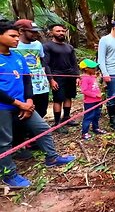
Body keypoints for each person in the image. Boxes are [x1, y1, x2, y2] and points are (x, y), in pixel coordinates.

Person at [0, 20, 75, 187]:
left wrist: (29, 101)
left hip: (25, 104)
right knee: (5, 141)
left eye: (17, 36)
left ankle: (52, 157)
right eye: (12, 36)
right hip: (4, 107)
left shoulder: (17, 56)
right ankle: (9, 174)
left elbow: (27, 81)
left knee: (42, 128)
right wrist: (19, 104)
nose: (16, 39)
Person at [44, 24, 80, 133]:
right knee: (58, 99)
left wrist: (77, 76)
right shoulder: (47, 46)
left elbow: (74, 63)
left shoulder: (69, 47)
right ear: (51, 33)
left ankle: (66, 118)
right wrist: (51, 79)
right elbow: (46, 64)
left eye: (63, 31)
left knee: (69, 97)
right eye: (58, 31)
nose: (61, 33)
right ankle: (57, 123)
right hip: (57, 76)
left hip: (69, 75)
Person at [12, 19, 50, 118]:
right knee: (25, 111)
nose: (36, 34)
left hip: (40, 84)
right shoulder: (12, 45)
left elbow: (43, 60)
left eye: (36, 31)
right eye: (32, 32)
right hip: (24, 84)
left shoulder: (38, 44)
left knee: (42, 110)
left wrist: (49, 78)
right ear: (21, 31)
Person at [79, 59, 107, 140]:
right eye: (93, 68)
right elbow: (84, 90)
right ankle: (84, 133)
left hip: (97, 101)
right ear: (86, 69)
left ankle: (96, 128)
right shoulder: (84, 78)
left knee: (96, 115)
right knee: (88, 116)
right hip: (90, 102)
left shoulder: (91, 76)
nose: (95, 69)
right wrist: (95, 95)